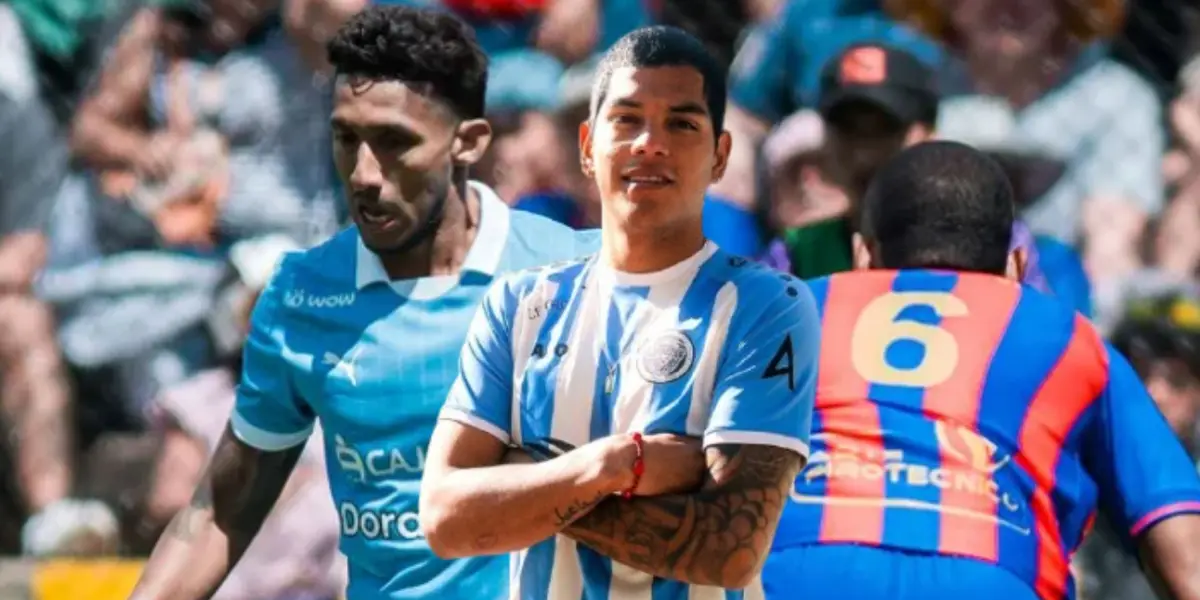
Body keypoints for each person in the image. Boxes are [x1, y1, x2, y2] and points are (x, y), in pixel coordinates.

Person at [128, 6, 598, 599]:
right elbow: (222, 512)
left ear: (468, 143)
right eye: (347, 138)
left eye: (395, 142)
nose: (364, 174)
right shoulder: (303, 297)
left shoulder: (577, 274)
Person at [420, 26, 822, 599]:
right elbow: (443, 519)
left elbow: (729, 550)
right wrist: (613, 466)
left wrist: (525, 478)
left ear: (720, 156)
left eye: (681, 124)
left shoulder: (765, 305)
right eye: (627, 119)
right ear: (588, 146)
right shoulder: (518, 302)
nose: (649, 143)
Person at [764, 140, 1200, 600]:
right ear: (1016, 267)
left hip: (794, 576)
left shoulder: (787, 315)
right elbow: (1186, 559)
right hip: (991, 578)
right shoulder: (1069, 338)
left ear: (862, 259)